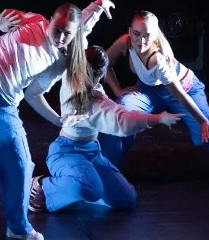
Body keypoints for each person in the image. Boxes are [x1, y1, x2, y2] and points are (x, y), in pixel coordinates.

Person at [0, 0, 113, 240]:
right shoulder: (34, 21)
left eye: (66, 34)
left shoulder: (59, 62)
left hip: (3, 101)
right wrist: (1, 22)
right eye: (56, 29)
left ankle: (17, 226)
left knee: (20, 162)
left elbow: (34, 93)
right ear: (49, 21)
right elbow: (4, 17)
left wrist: (58, 120)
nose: (60, 36)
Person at [26, 45, 182, 213]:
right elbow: (123, 122)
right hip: (65, 153)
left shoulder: (70, 74)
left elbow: (78, 37)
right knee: (91, 188)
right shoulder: (95, 103)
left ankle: (80, 189)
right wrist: (157, 118)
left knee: (125, 198)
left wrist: (90, 18)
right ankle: (40, 185)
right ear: (102, 74)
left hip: (91, 152)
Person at [98, 10, 209, 174]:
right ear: (130, 31)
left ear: (155, 35)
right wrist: (117, 90)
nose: (141, 41)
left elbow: (180, 95)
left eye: (147, 35)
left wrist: (202, 121)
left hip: (184, 89)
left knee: (208, 134)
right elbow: (104, 63)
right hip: (148, 91)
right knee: (120, 114)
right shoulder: (126, 42)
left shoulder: (157, 60)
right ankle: (107, 170)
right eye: (137, 34)